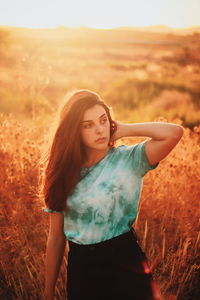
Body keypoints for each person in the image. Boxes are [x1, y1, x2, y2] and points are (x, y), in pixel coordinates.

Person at [41, 89, 183, 300]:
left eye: (102, 120)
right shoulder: (62, 172)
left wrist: (124, 130)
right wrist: (48, 291)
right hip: (83, 271)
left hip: (126, 262)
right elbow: (55, 238)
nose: (99, 130)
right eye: (88, 125)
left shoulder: (129, 159)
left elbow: (174, 133)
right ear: (73, 131)